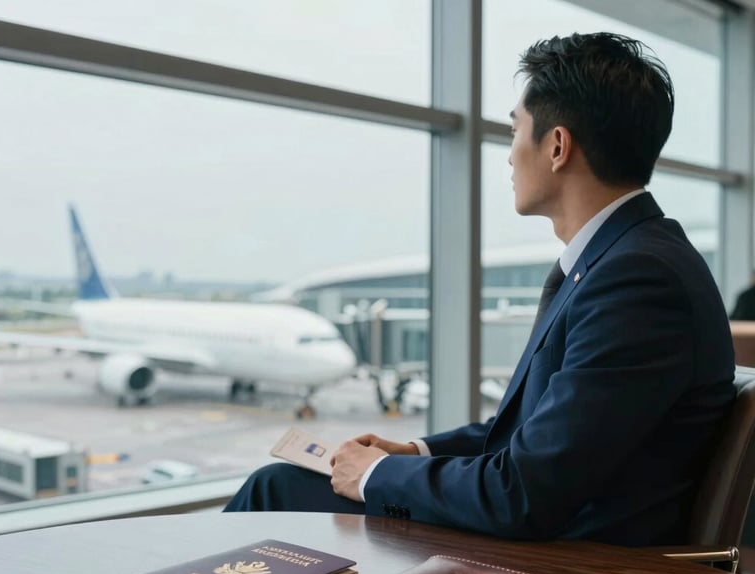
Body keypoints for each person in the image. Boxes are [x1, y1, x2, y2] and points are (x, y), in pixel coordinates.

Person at [224, 32, 736, 546]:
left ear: (557, 146)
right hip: (556, 535)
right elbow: (533, 439)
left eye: (515, 132)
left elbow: (524, 494)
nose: (509, 157)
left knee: (276, 490)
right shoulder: (624, 259)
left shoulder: (637, 281)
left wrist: (374, 476)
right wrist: (414, 454)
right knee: (285, 485)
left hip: (572, 566)